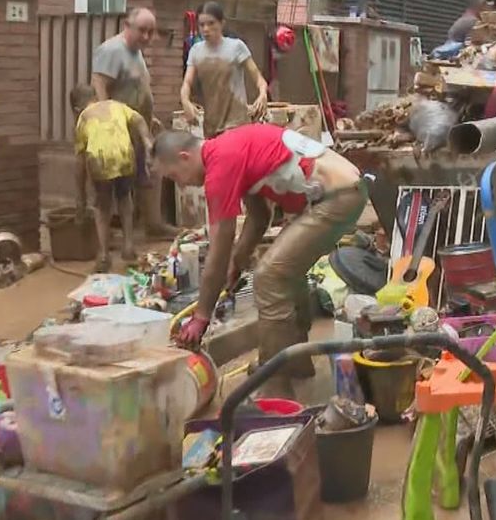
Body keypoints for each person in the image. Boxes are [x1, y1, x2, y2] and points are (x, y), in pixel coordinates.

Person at [153, 124, 367, 398]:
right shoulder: (229, 148)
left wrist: (201, 316)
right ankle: (295, 364)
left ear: (185, 156)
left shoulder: (220, 165)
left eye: (175, 176)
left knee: (269, 277)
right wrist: (238, 261)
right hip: (342, 190)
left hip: (337, 195)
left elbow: (219, 248)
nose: (181, 185)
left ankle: (275, 386)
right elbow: (259, 217)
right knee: (287, 273)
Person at [92, 8, 176, 238]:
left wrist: (151, 116)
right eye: (142, 31)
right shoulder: (111, 51)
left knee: (148, 174)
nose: (148, 37)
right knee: (116, 186)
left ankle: (153, 225)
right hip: (119, 131)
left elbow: (138, 87)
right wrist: (109, 126)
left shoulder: (135, 51)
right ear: (127, 26)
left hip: (139, 127)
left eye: (151, 32)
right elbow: (99, 87)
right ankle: (106, 237)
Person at [71, 85, 154, 272]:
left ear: (76, 109)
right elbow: (139, 119)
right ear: (95, 96)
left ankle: (103, 255)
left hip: (100, 160)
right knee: (125, 198)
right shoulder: (116, 105)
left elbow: (79, 163)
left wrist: (81, 197)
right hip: (125, 155)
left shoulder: (83, 118)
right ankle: (128, 246)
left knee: (102, 206)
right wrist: (146, 139)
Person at [180, 1, 269, 139]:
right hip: (212, 125)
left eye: (211, 23)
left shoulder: (236, 47)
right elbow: (187, 83)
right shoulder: (196, 51)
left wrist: (262, 94)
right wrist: (185, 101)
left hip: (237, 122)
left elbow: (258, 79)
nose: (206, 29)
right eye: (202, 25)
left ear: (222, 23)